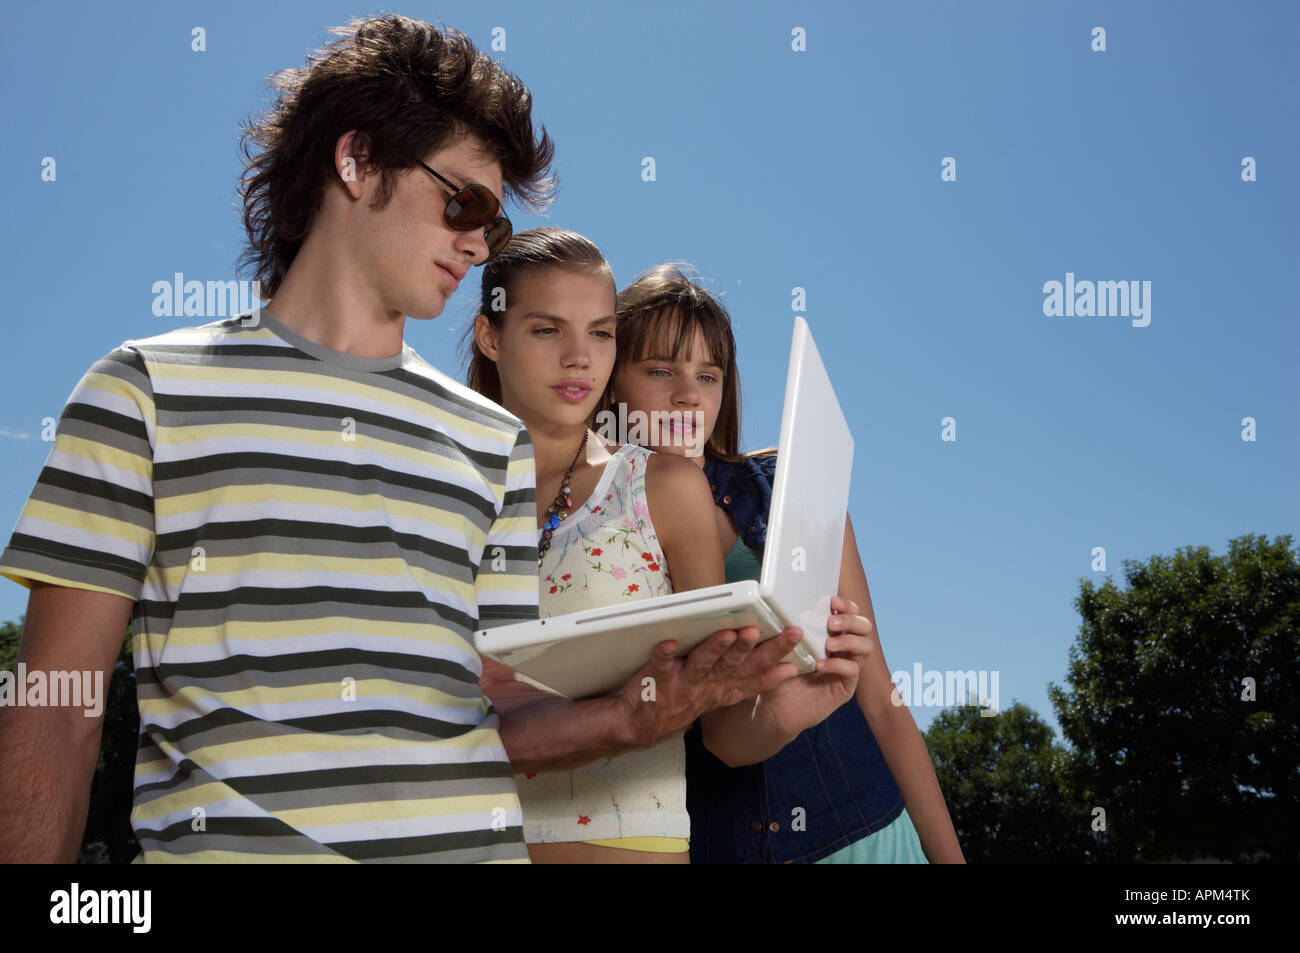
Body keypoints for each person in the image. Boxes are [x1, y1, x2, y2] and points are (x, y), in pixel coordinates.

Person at [0, 17, 781, 865]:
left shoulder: (491, 443)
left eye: (491, 216)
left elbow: (502, 715)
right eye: (464, 201)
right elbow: (56, 711)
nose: (480, 241)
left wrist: (635, 715)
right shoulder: (143, 394)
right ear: (356, 161)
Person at [464, 229, 876, 862]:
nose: (579, 357)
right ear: (491, 337)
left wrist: (790, 707)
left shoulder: (662, 486)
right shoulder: (448, 492)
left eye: (600, 333)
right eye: (548, 330)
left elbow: (725, 730)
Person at [607, 263, 967, 863]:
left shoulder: (785, 486)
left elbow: (881, 701)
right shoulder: (597, 538)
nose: (688, 394)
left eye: (708, 374)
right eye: (660, 370)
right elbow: (712, 736)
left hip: (871, 834)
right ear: (612, 383)